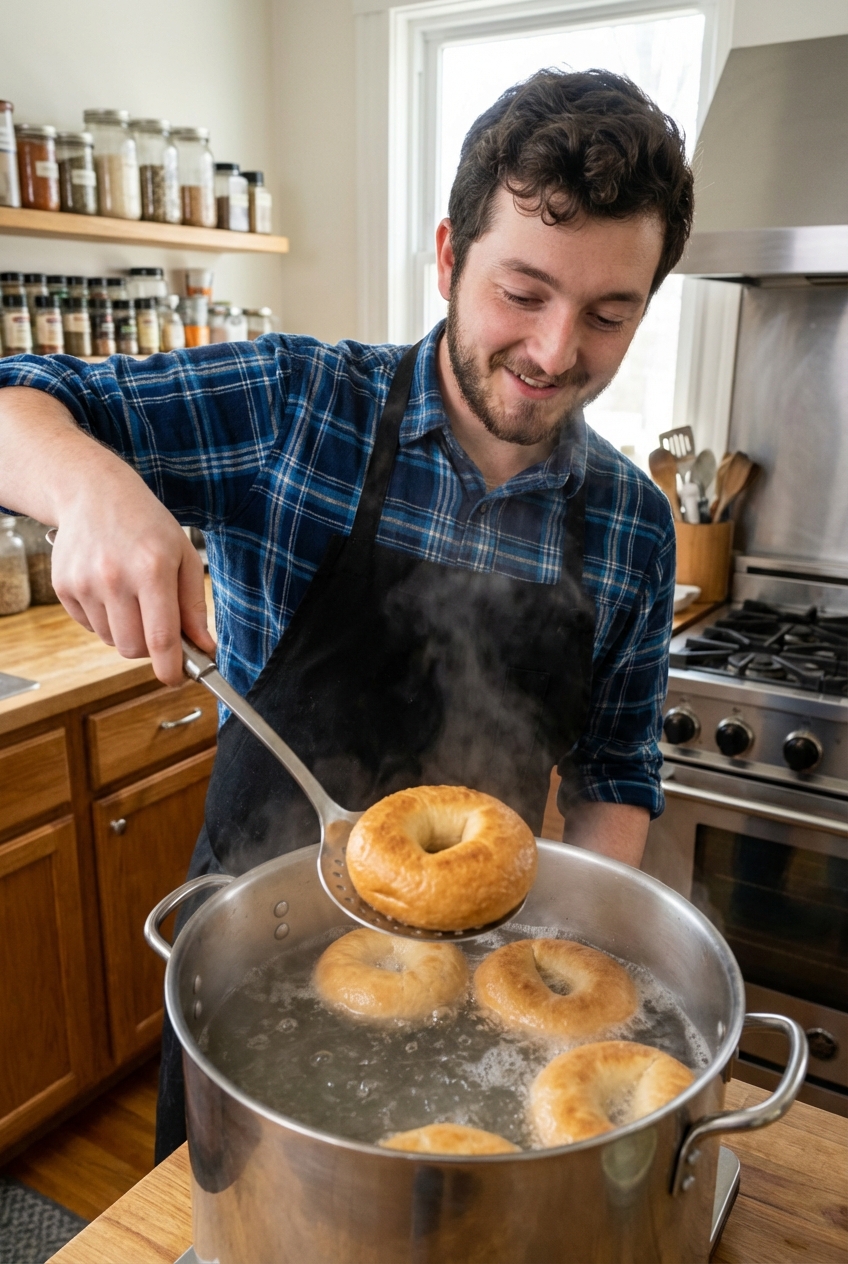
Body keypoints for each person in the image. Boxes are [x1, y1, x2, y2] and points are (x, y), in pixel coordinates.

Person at [0, 68, 692, 1158]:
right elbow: (17, 400)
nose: (556, 352)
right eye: (522, 293)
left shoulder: (633, 526)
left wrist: (563, 976)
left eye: (608, 315)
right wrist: (91, 491)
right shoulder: (295, 408)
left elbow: (614, 776)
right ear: (448, 258)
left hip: (489, 995)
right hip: (250, 966)